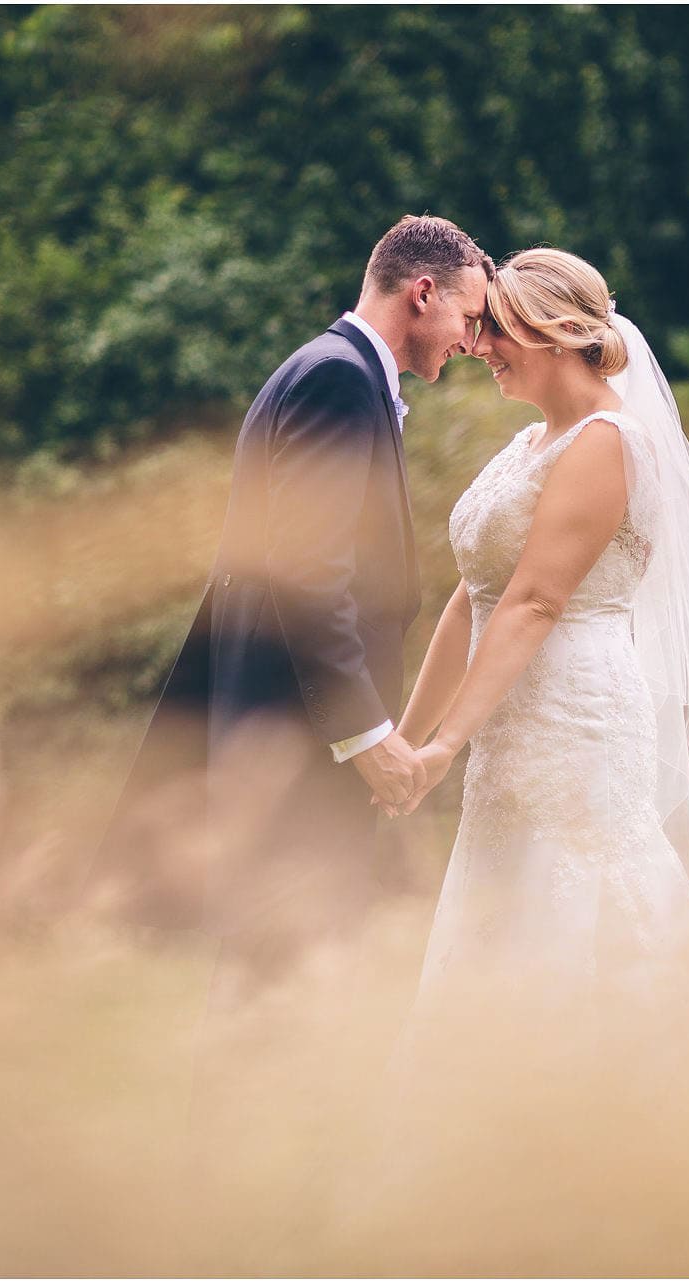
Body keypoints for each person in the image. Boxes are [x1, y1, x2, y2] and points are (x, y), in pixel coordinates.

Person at [384, 247, 689, 1085]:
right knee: (500, 897)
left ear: (557, 332)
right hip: (506, 722)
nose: (479, 345)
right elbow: (472, 599)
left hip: (576, 716)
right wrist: (407, 745)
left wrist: (446, 745)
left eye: (497, 329)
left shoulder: (608, 443)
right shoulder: (533, 441)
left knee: (580, 891)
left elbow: (534, 602)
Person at [96, 213, 492, 1008]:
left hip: (284, 735)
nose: (472, 340)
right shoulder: (338, 380)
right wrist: (367, 734)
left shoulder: (322, 369)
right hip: (299, 743)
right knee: (284, 981)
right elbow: (311, 577)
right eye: (469, 316)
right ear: (423, 292)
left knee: (269, 981)